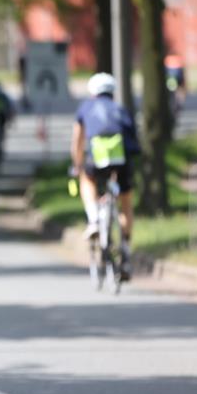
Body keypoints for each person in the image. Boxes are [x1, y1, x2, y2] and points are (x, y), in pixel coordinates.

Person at [71, 72, 141, 280]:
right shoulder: (121, 109)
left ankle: (93, 219)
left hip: (97, 159)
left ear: (92, 92)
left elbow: (77, 139)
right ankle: (126, 252)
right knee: (126, 203)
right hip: (122, 161)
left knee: (86, 178)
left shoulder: (85, 108)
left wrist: (76, 165)